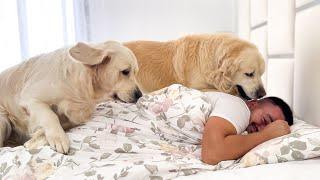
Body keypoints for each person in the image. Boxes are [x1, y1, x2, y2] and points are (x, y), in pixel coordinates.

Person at [201, 92, 293, 165]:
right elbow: (211, 154)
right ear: (252, 104)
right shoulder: (239, 107)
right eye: (265, 120)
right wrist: (266, 135)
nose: (262, 128)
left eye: (269, 128)